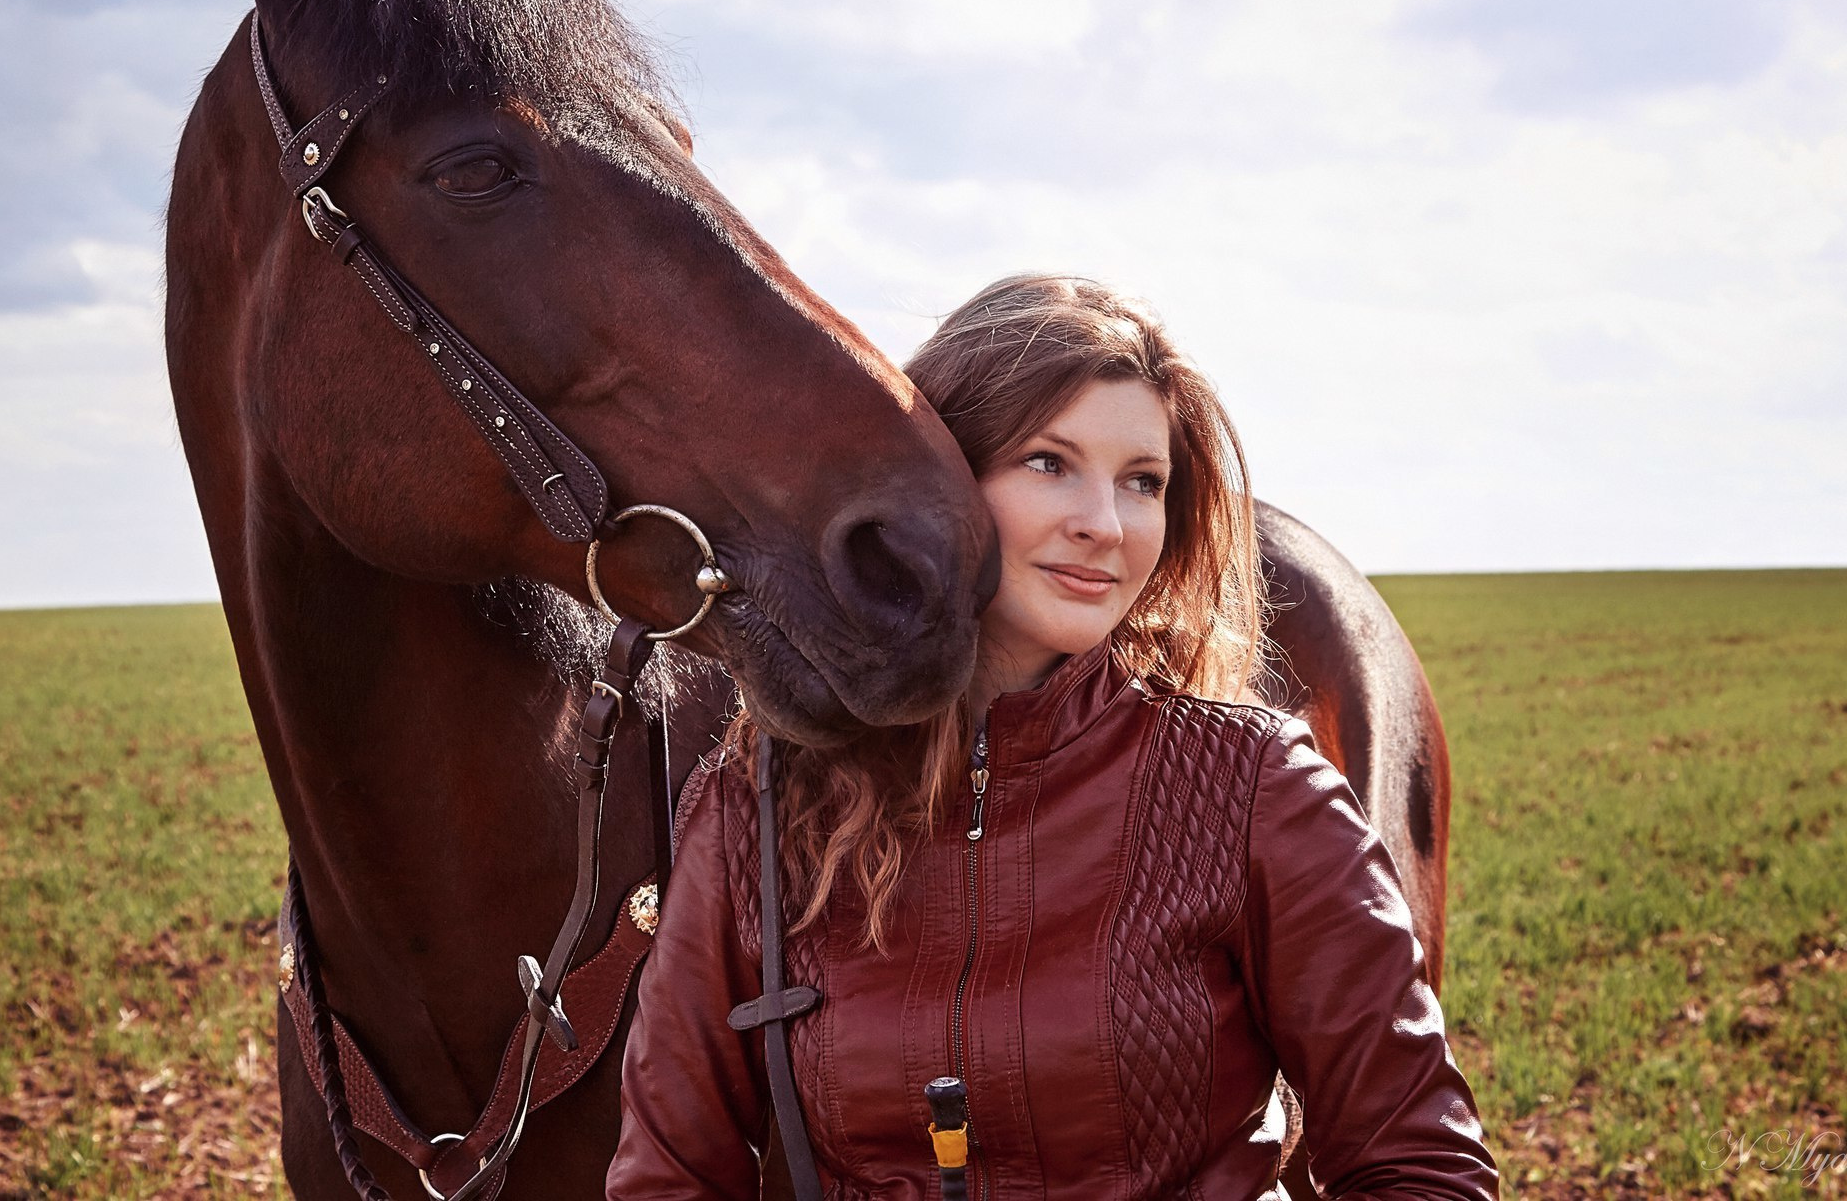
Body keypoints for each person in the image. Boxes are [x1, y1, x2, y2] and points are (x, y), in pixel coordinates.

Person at [609, 274, 1500, 1200]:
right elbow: (668, 1179)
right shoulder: (758, 804)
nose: (1104, 526)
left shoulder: (1256, 789)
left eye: (1142, 483)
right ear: (939, 478)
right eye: (1048, 462)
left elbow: (1423, 1169)